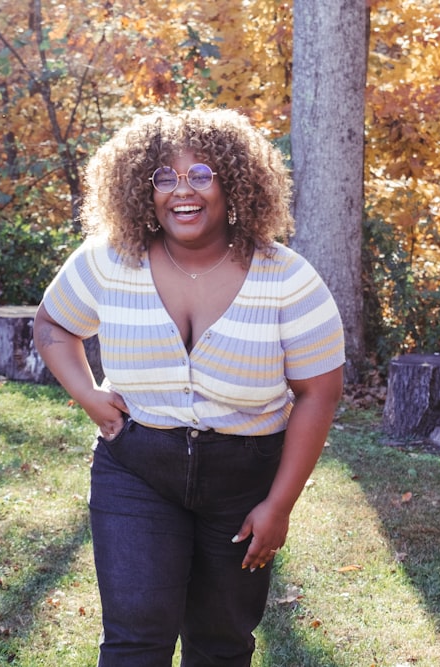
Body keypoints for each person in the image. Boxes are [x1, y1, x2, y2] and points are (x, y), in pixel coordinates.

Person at [33, 107, 345, 667]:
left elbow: (318, 393)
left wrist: (280, 504)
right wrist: (88, 394)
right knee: (135, 641)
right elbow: (53, 324)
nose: (183, 191)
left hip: (243, 479)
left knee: (221, 644)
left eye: (201, 174)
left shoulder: (288, 278)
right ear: (142, 188)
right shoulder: (109, 262)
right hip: (136, 470)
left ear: (235, 182)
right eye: (165, 177)